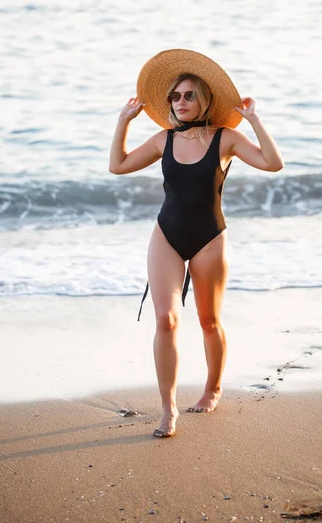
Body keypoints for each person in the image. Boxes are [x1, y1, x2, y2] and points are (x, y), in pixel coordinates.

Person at [109, 49, 284, 438]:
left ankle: (212, 389)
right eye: (175, 96)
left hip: (210, 238)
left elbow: (273, 164)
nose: (181, 103)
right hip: (166, 236)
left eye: (188, 95)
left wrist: (254, 121)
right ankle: (168, 408)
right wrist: (123, 121)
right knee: (165, 319)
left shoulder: (226, 138)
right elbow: (117, 166)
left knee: (208, 321)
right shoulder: (162, 140)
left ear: (203, 98)